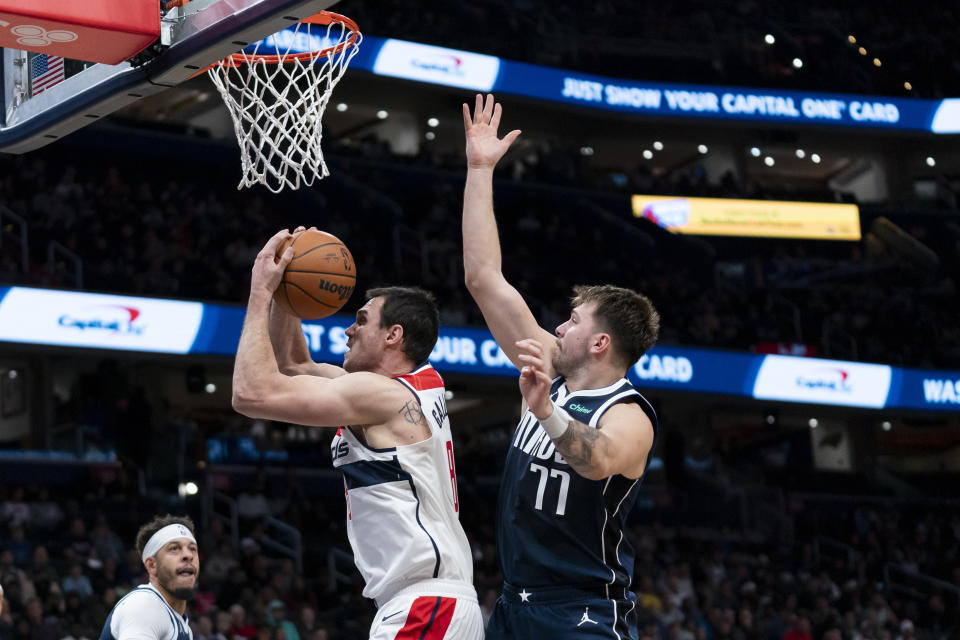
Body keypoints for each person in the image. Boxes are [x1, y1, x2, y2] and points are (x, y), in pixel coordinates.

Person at [461, 94, 661, 639]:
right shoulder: (552, 366)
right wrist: (480, 169)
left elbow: (597, 461)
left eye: (571, 322)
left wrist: (546, 411)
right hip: (514, 602)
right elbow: (484, 278)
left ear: (599, 343)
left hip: (584, 612)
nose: (558, 328)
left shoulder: (630, 414)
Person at [232, 229, 482, 640]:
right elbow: (293, 364)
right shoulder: (409, 386)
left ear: (393, 335)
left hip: (424, 606)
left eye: (361, 320)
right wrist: (287, 295)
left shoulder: (380, 394)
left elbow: (251, 393)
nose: (348, 330)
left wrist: (261, 289)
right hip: (430, 603)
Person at [98, 514, 199, 640]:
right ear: (152, 565)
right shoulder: (144, 605)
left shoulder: (184, 627)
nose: (188, 555)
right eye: (174, 548)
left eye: (192, 549)